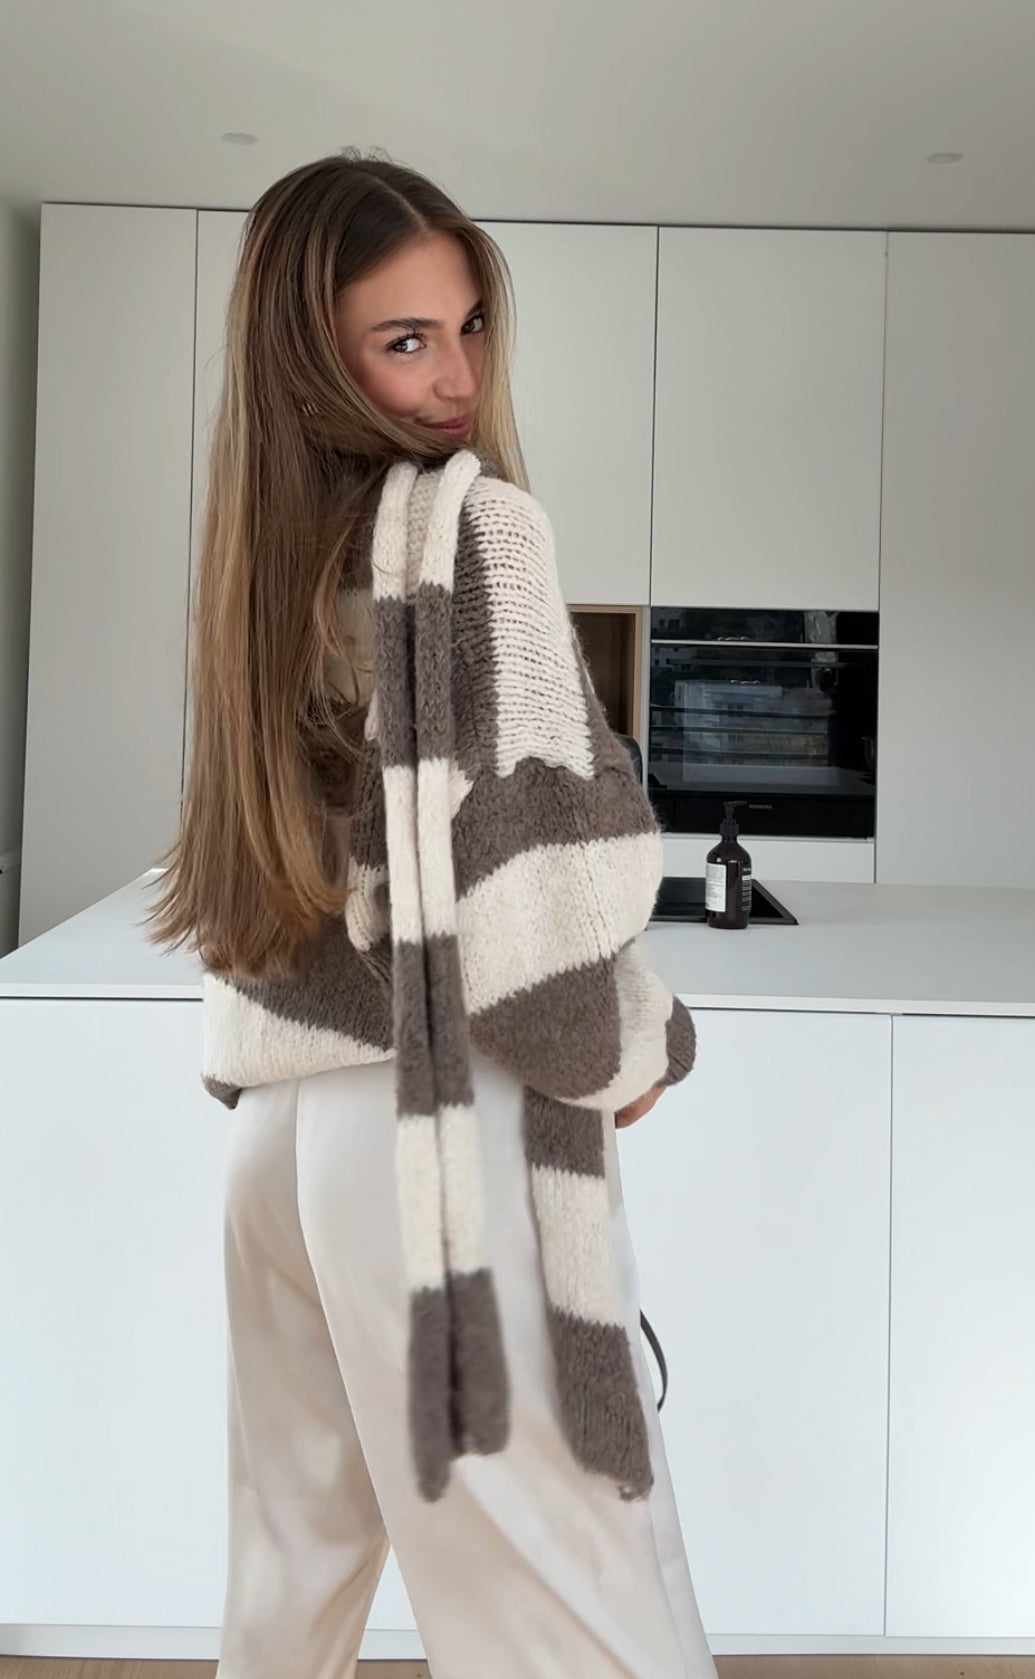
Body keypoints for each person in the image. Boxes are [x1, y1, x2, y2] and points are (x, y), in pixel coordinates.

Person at [146, 150, 718, 1679]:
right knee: (577, 1622)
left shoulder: (257, 566)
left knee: (287, 1600)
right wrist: (644, 1050)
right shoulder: (475, 534)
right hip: (436, 1143)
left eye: (467, 328)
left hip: (278, 1152)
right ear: (309, 356)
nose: (456, 378)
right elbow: (532, 925)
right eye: (405, 340)